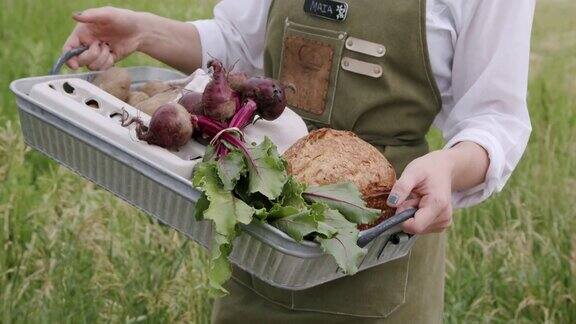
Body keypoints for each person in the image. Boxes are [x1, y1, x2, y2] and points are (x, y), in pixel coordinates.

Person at [63, 0, 535, 322]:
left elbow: (495, 118)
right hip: (260, 226)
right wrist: (144, 30)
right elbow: (235, 43)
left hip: (377, 247)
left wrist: (449, 168)